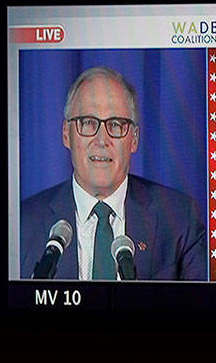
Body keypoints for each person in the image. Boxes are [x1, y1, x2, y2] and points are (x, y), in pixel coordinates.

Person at [19, 67, 206, 280]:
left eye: (115, 125)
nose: (101, 140)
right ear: (66, 134)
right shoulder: (23, 225)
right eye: (88, 123)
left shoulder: (180, 219)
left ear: (134, 139)